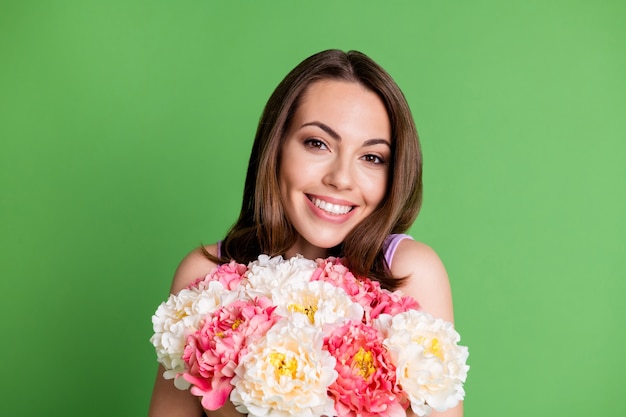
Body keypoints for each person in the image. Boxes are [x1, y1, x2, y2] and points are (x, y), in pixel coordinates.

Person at [148, 49, 461, 417]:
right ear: (276, 146)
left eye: (372, 157)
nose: (341, 178)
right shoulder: (204, 281)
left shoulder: (411, 275)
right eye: (318, 143)